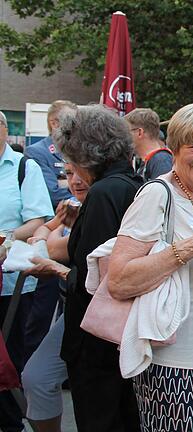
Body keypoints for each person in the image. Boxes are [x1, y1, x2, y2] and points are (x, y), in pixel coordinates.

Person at [104, 103, 193, 431]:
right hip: (179, 359)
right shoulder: (157, 194)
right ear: (175, 148)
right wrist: (183, 250)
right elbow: (120, 280)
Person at [26, 105, 142, 431]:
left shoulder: (105, 191)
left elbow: (96, 279)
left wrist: (57, 270)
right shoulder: (129, 183)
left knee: (102, 417)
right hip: (118, 335)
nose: (71, 169)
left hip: (97, 340)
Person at [23, 162, 89, 432]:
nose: (75, 180)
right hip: (75, 311)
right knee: (36, 377)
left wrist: (51, 228)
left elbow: (46, 249)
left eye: (82, 172)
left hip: (96, 314)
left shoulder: (104, 203)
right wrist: (55, 224)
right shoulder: (75, 206)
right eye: (69, 173)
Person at [0, 109, 54, 432]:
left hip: (11, 283)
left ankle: (11, 423)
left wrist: (8, 238)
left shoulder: (24, 167)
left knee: (9, 360)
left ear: (4, 131)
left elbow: (39, 219)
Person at [24, 100, 77, 208]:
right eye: (71, 121)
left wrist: (64, 184)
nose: (76, 126)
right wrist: (83, 197)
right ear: (54, 123)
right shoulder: (37, 152)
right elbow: (52, 195)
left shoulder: (79, 151)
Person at [125, 108, 173, 181]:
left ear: (140, 132)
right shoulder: (152, 161)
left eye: (127, 132)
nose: (125, 136)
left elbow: (162, 191)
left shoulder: (161, 160)